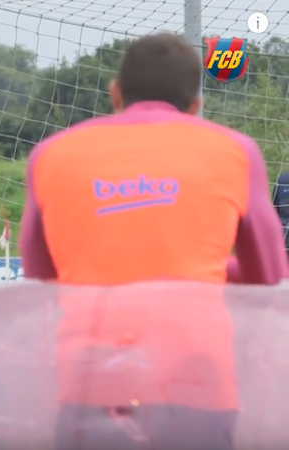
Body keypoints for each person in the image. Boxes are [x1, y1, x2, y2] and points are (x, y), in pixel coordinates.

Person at [19, 33, 287, 449]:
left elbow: (42, 274)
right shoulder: (236, 150)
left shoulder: (50, 153)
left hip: (88, 376)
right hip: (197, 377)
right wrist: (201, 271)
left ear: (115, 93)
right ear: (196, 106)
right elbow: (268, 277)